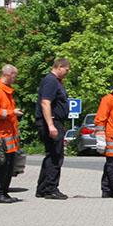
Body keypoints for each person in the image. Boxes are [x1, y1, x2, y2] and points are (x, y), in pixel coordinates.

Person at [0, 64, 23, 204]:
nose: (15, 78)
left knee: (7, 166)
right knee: (0, 166)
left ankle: (4, 193)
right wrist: (12, 112)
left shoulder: (5, 91)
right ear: (8, 74)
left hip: (7, 136)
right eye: (14, 75)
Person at [35, 57, 71, 199]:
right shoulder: (51, 81)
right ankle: (50, 189)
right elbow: (45, 103)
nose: (67, 73)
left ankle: (43, 188)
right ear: (59, 67)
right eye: (66, 70)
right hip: (52, 122)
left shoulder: (54, 81)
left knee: (51, 155)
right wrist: (51, 125)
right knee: (56, 156)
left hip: (55, 122)